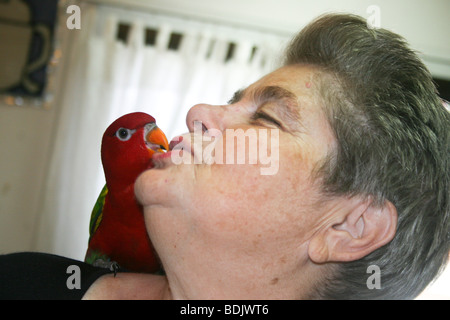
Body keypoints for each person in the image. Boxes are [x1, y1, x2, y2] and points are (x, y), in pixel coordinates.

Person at [1, 13, 448, 300]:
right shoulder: (21, 282)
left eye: (267, 118)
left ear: (347, 228)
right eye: (230, 100)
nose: (197, 112)